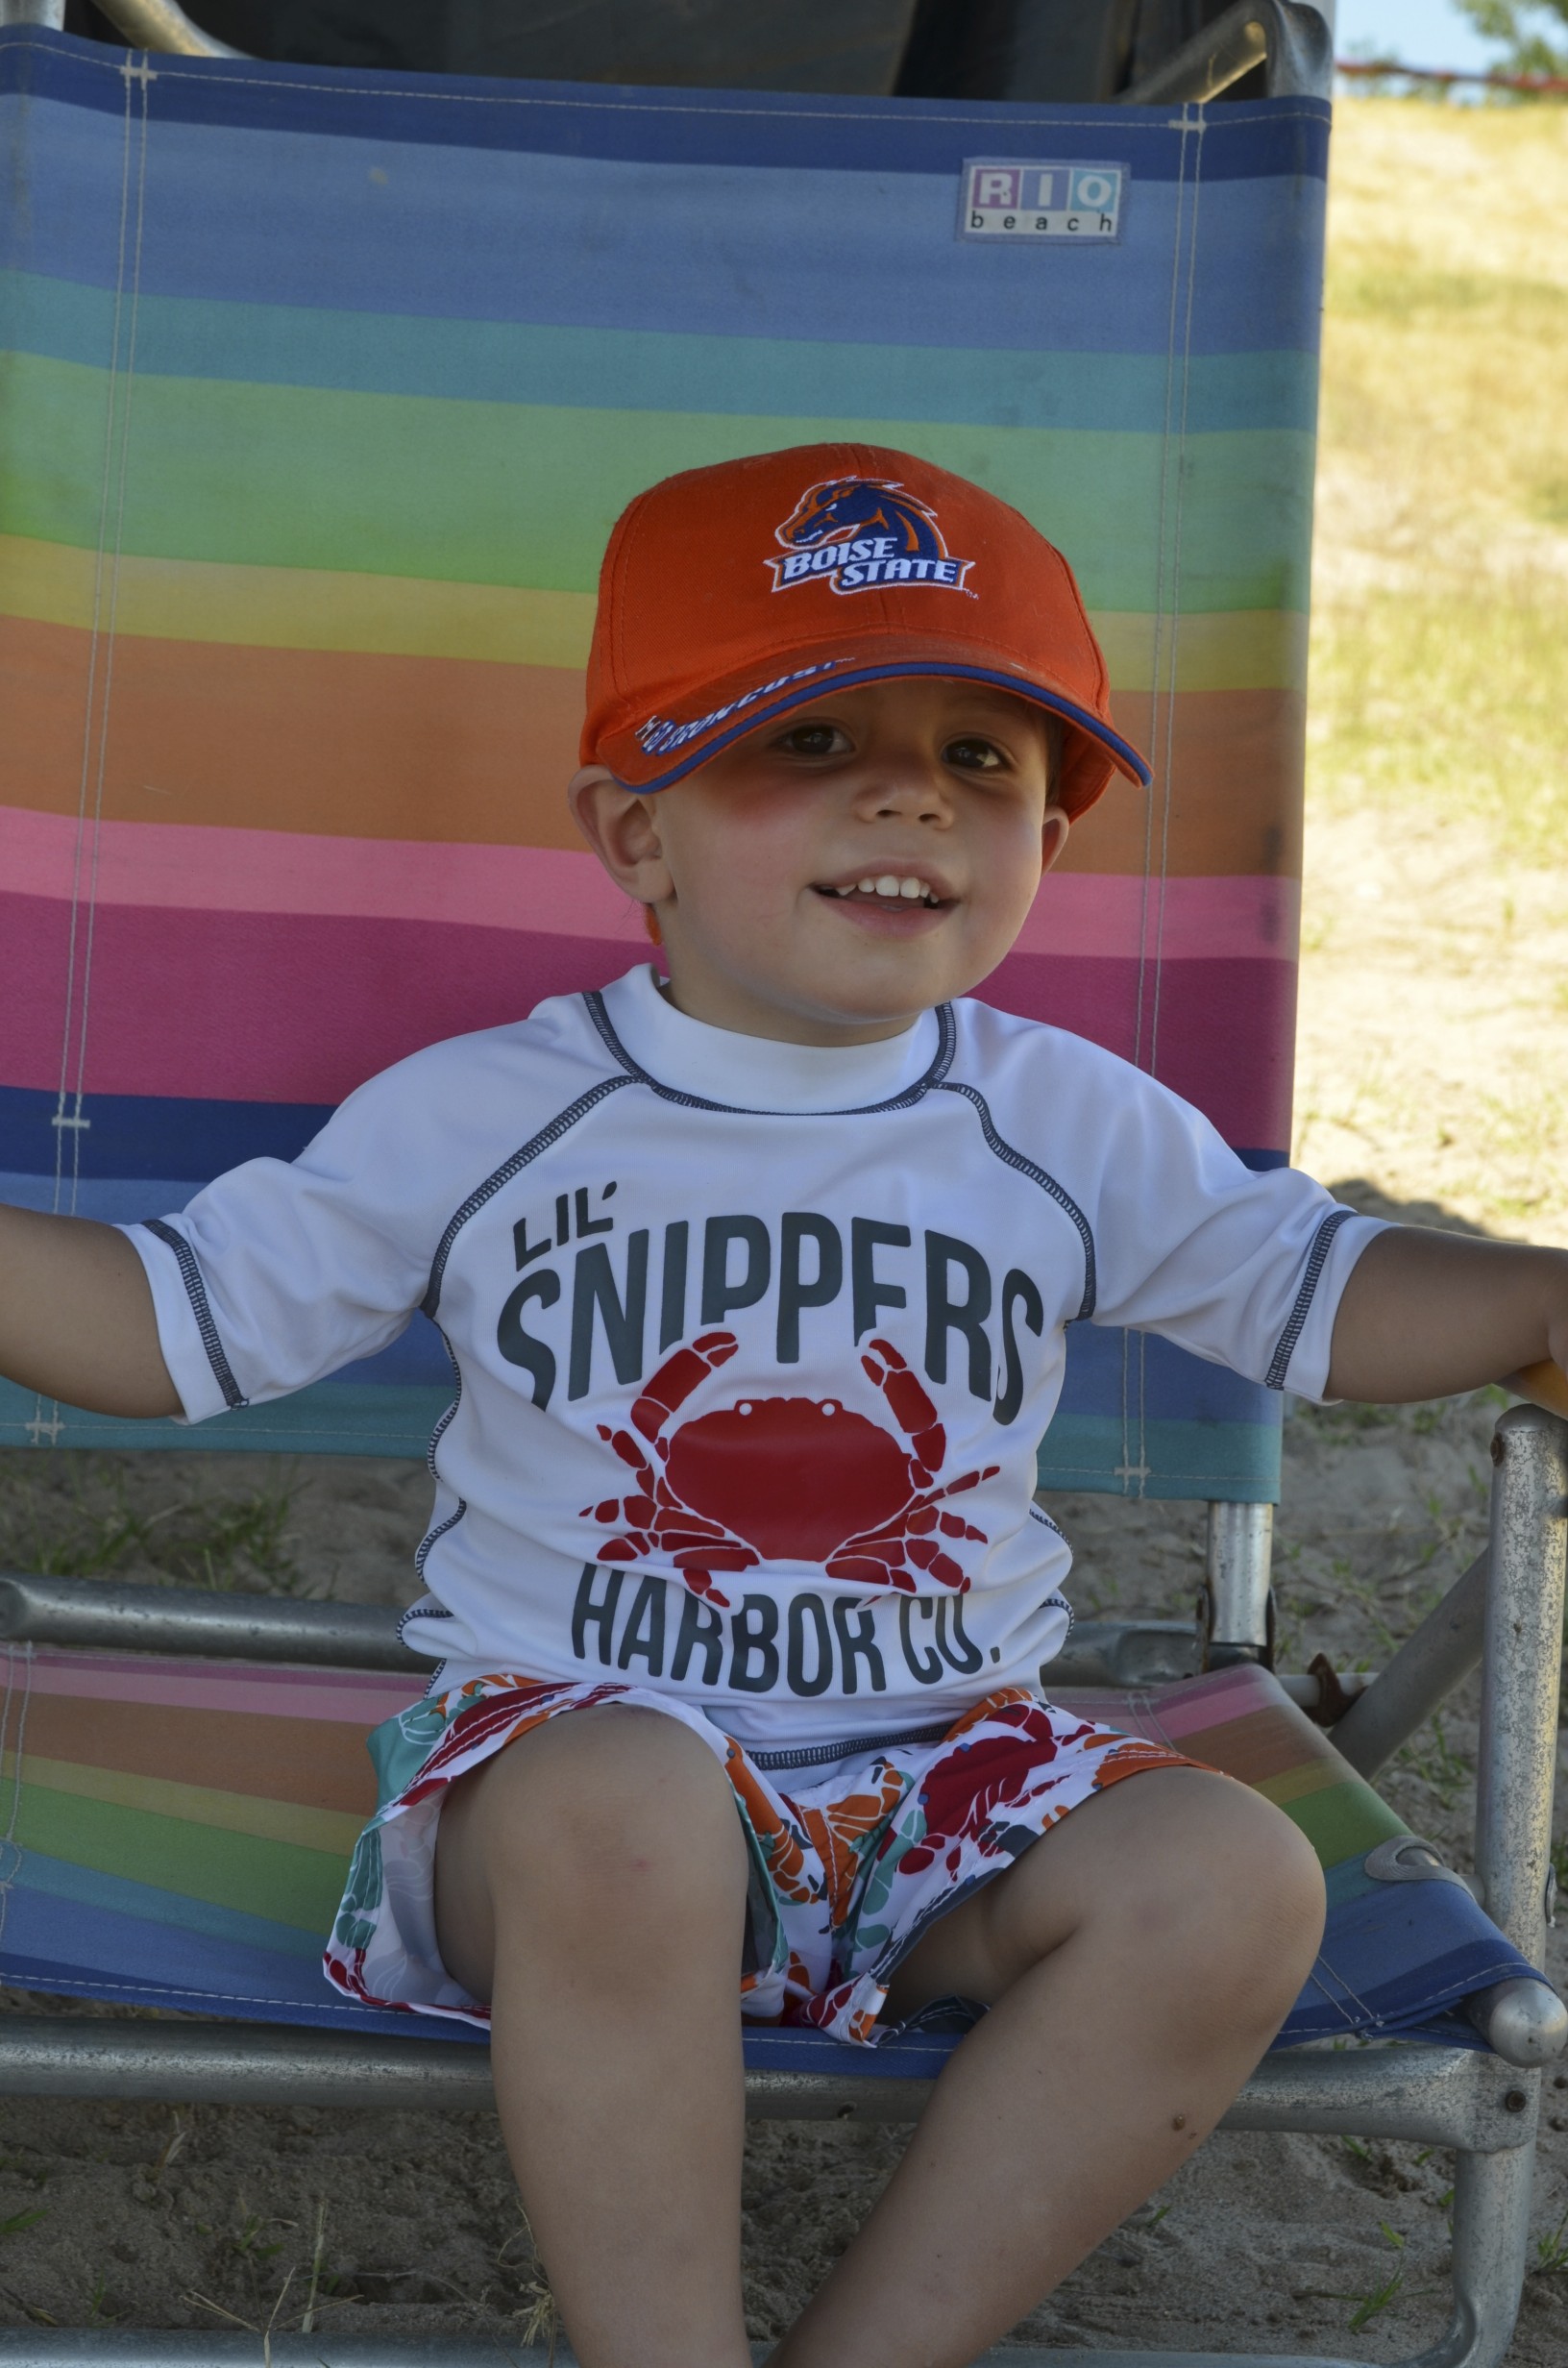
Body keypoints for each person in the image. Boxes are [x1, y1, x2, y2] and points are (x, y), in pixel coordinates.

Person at [1, 443, 1563, 2368]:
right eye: (809, 738)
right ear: (635, 829)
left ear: (1047, 841)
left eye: (984, 757)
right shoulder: (491, 1112)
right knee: (628, 1806)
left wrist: (1534, 1299)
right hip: (573, 1790)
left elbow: (1321, 1287)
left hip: (949, 1778)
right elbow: (174, 1324)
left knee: (1233, 1878)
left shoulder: (1061, 1119)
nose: (912, 791)